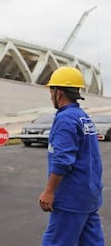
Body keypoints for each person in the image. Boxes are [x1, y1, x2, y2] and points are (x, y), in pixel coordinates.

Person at [39, 66, 104, 245]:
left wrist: (49, 191)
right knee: (91, 242)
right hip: (89, 195)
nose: (51, 95)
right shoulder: (83, 117)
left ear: (58, 93)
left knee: (56, 242)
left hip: (71, 197)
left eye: (51, 91)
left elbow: (62, 160)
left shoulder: (65, 119)